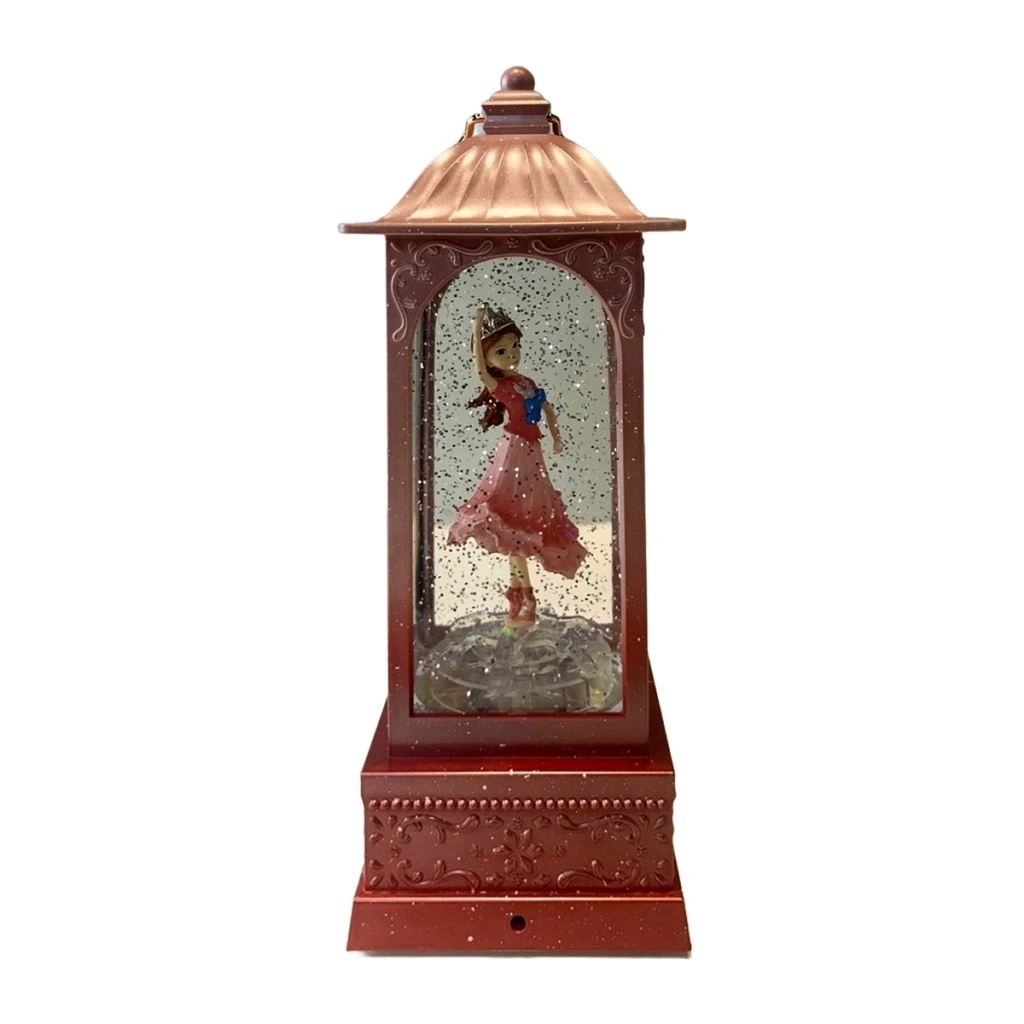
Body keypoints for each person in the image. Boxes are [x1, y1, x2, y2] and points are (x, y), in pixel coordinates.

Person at [447, 304, 588, 628]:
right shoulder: (501, 386)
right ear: (487, 356)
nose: (511, 354)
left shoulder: (526, 381)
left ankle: (521, 594)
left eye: (515, 346)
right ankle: (522, 594)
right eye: (501, 350)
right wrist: (477, 326)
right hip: (513, 453)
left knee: (525, 515)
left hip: (532, 452)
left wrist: (556, 437)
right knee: (508, 514)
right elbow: (479, 370)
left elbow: (548, 409)